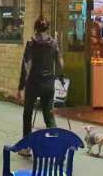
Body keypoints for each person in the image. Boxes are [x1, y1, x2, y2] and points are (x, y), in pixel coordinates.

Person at [17, 17, 64, 154]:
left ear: (35, 28)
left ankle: (26, 147)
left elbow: (26, 67)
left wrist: (21, 87)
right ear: (47, 29)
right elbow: (60, 64)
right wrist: (60, 78)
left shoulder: (31, 43)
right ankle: (57, 147)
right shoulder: (54, 43)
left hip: (33, 83)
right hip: (48, 83)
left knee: (27, 114)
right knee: (49, 116)